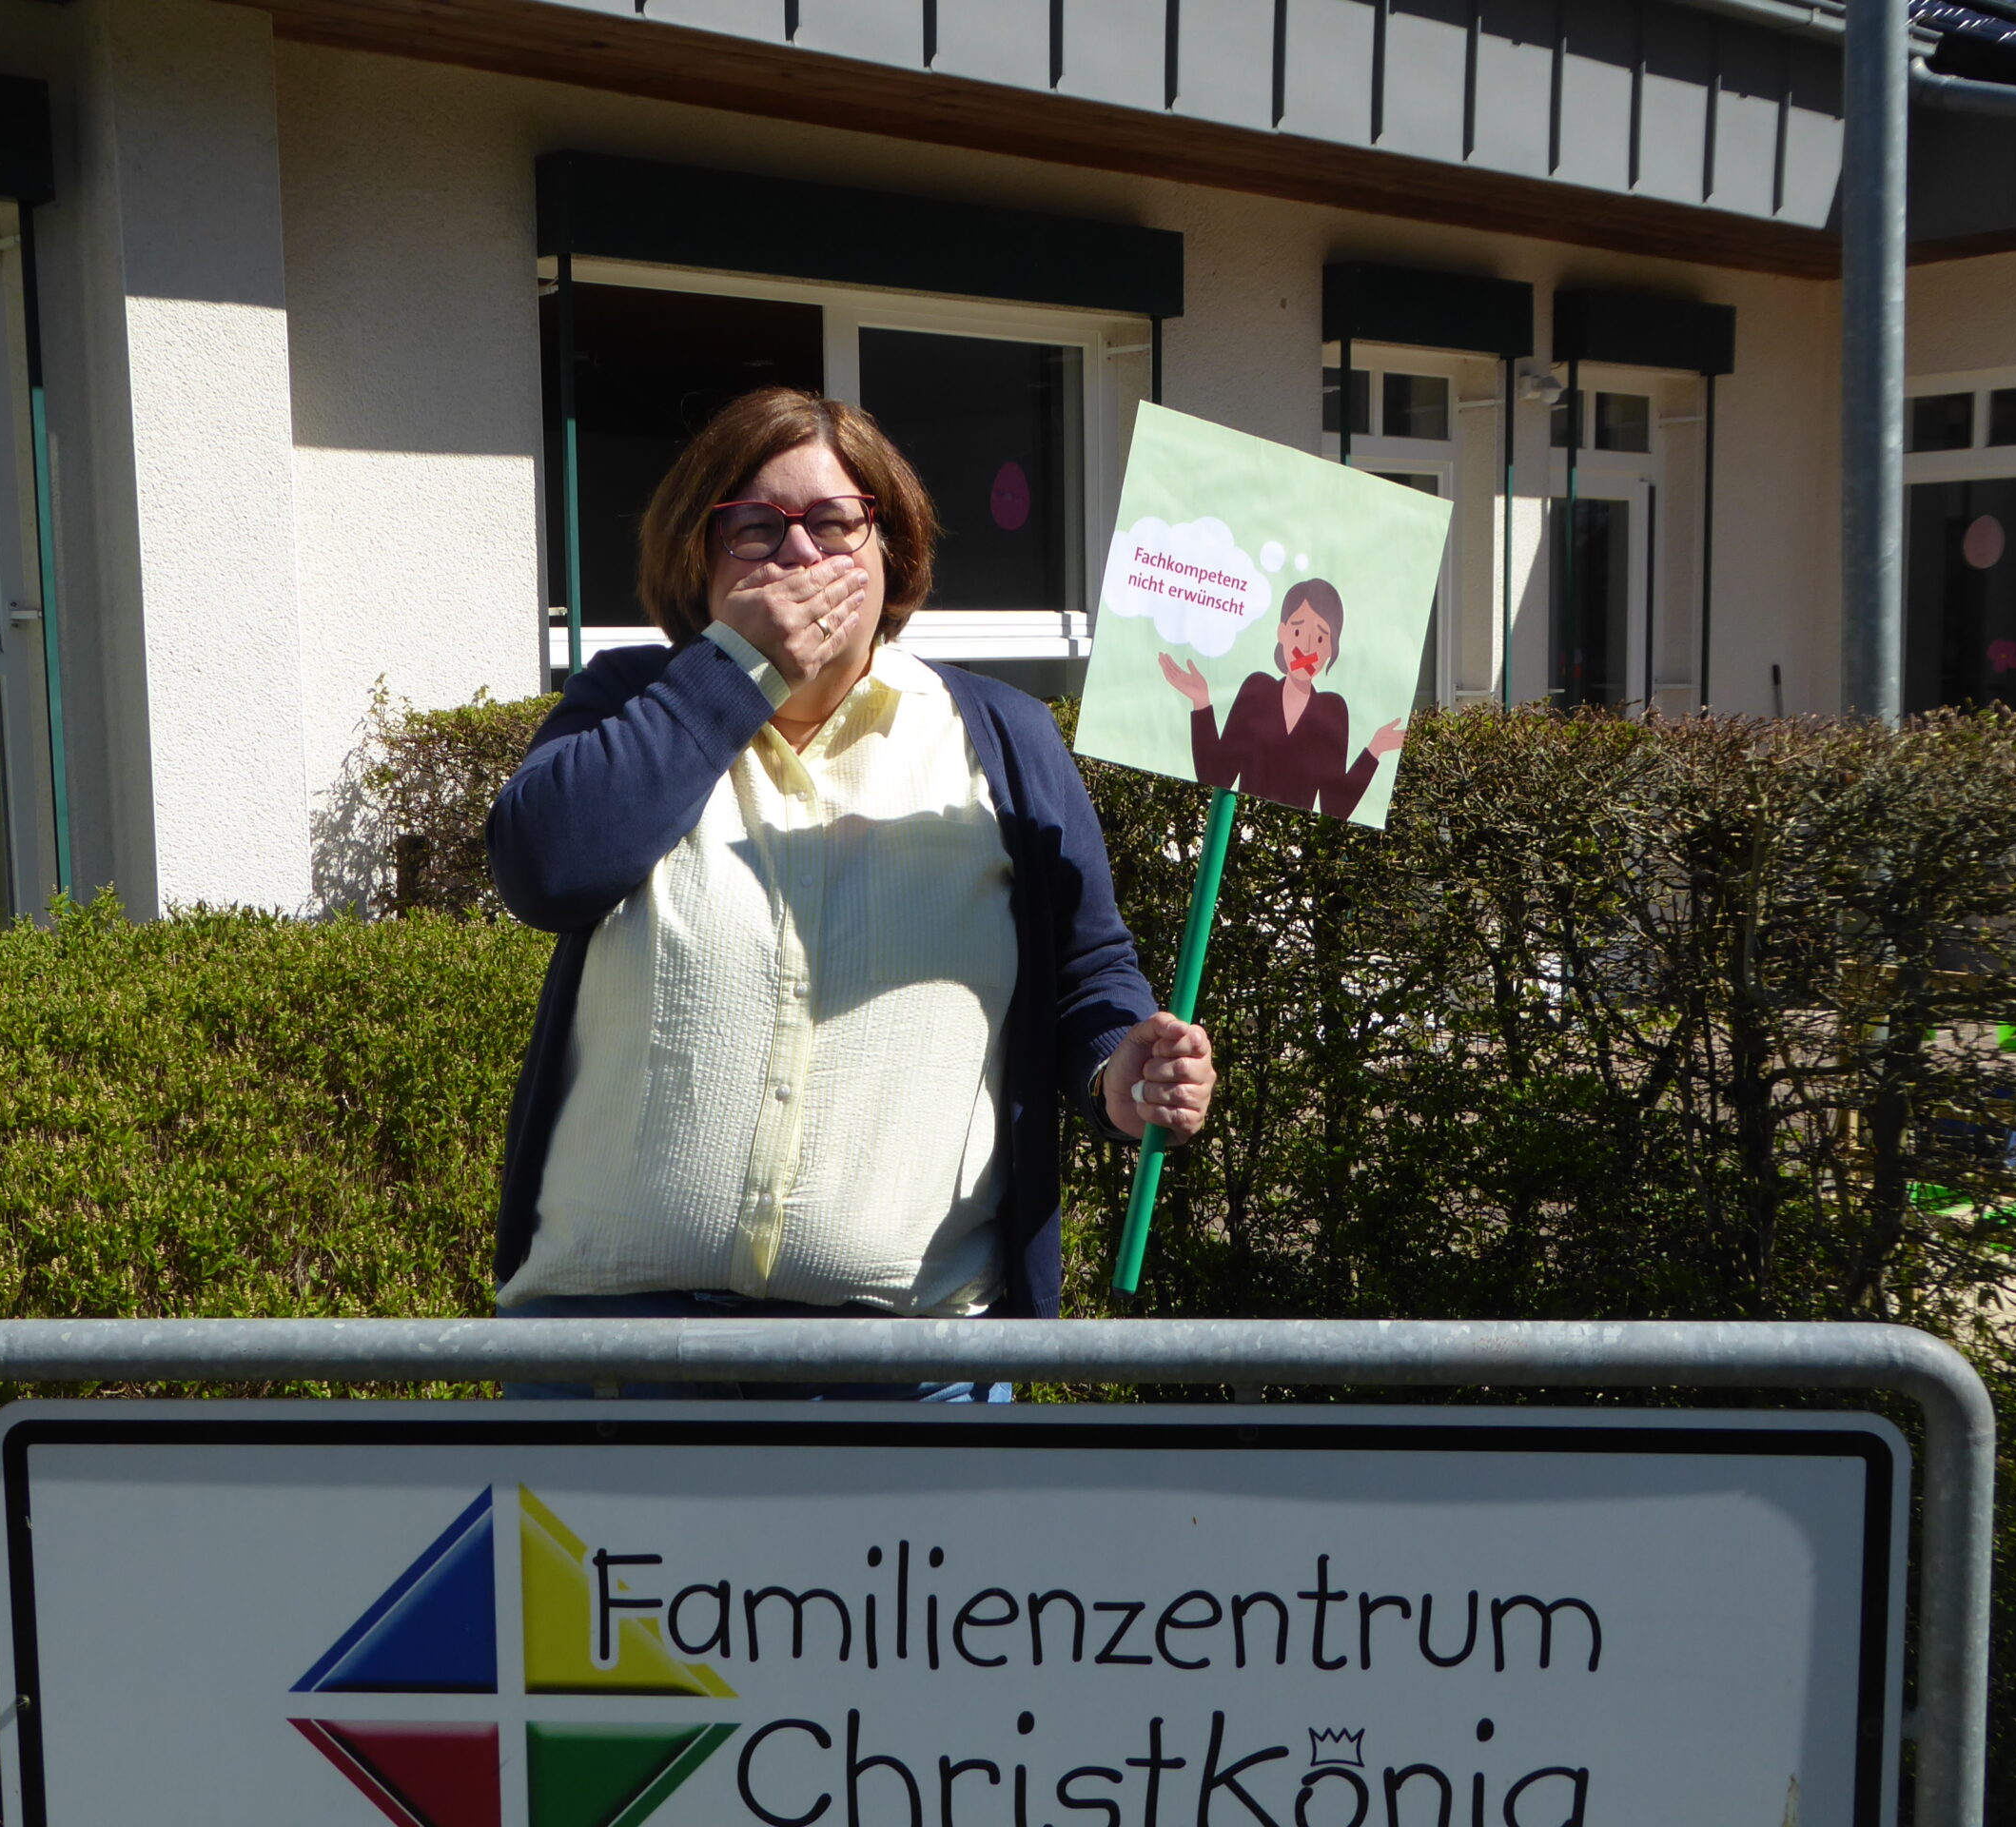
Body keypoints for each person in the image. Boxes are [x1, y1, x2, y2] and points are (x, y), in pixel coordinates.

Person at [485, 387, 1216, 1398]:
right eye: (753, 527)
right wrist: (735, 669)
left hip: (913, 1375)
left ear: (891, 552)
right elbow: (547, 869)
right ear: (698, 559)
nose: (799, 553)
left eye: (835, 523)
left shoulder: (1000, 737)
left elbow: (1088, 977)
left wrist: (1117, 1070)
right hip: (613, 1364)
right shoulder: (630, 702)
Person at [1158, 578, 1404, 818]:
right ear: (1282, 633)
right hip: (1241, 825)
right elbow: (1214, 776)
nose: (1307, 647)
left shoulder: (1333, 710)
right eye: (1297, 631)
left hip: (1292, 839)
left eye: (1320, 638)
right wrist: (1201, 702)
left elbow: (1334, 809)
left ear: (1331, 648)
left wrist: (1374, 750)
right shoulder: (1257, 690)